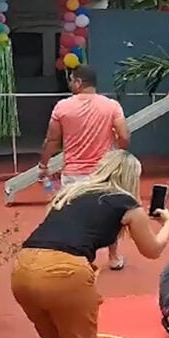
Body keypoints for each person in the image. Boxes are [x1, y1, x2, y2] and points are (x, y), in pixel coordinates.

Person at [11, 150, 169, 338]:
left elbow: (59, 234)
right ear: (131, 177)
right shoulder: (126, 203)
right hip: (65, 273)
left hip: (23, 267)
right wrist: (168, 223)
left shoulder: (71, 193)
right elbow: (152, 250)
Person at [39, 65, 130, 270]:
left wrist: (43, 164)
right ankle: (114, 257)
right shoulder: (112, 105)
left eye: (71, 80)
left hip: (73, 174)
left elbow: (52, 140)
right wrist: (118, 154)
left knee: (72, 216)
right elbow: (124, 136)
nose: (70, 84)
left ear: (79, 82)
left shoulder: (62, 107)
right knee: (111, 215)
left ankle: (78, 258)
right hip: (103, 172)